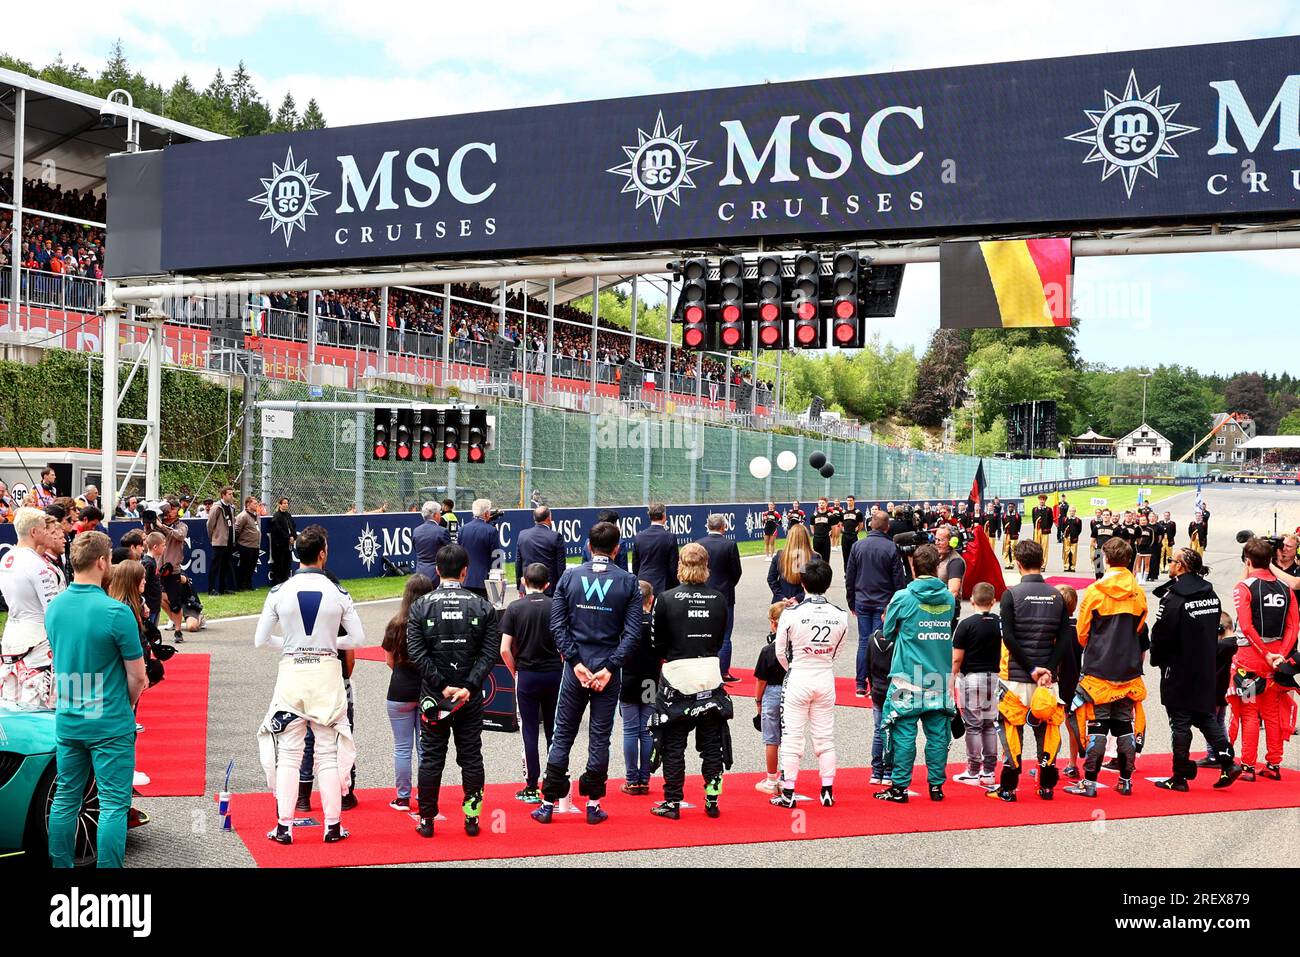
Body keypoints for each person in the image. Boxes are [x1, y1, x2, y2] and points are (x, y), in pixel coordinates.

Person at [254, 525, 365, 845]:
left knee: (288, 753)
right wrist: (328, 642)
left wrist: (290, 645)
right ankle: (332, 826)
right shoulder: (339, 593)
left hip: (292, 674)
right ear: (322, 554)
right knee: (328, 754)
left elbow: (260, 640)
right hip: (327, 674)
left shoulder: (278, 592)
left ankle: (284, 826)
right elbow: (357, 638)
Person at [45, 531, 146, 867]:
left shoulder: (55, 607)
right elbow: (138, 676)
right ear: (103, 562)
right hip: (109, 721)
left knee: (65, 799)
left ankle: (61, 865)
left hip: (69, 718)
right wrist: (127, 706)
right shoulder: (116, 613)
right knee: (114, 804)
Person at [535, 521, 642, 825]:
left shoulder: (570, 576)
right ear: (617, 548)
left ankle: (548, 803)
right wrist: (609, 668)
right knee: (599, 737)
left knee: (562, 734)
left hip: (576, 669)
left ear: (587, 546)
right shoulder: (628, 581)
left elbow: (557, 626)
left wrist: (575, 662)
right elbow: (633, 633)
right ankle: (593, 804)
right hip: (607, 669)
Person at [406, 544, 500, 838]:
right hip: (467, 697)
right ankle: (472, 819)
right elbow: (489, 653)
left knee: (432, 757)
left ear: (436, 571)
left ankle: (427, 820)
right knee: (471, 755)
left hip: (434, 697)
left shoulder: (420, 606)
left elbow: (416, 652)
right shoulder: (482, 605)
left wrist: (441, 686)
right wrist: (469, 686)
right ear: (465, 571)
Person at [648, 543, 731, 819]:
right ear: (706, 567)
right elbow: (719, 641)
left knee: (673, 743)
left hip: (677, 675)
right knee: (711, 743)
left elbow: (655, 642)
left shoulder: (665, 597)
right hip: (708, 673)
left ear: (680, 566)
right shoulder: (719, 599)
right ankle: (712, 799)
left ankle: (672, 802)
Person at [1150, 547, 1242, 791]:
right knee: (1205, 716)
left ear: (1180, 566)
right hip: (1204, 666)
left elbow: (1161, 635)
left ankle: (1179, 777)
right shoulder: (1211, 594)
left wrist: (1157, 659)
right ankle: (1228, 762)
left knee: (1179, 722)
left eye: (1171, 561)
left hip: (1179, 668)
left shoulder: (1174, 598)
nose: (1168, 564)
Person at [986, 540, 1072, 802]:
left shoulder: (1011, 595)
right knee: (1047, 729)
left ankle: (1009, 788)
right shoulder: (1057, 595)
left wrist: (1032, 668)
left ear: (1019, 563)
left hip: (1016, 676)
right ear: (1042, 560)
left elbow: (1009, 639)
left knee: (1012, 728)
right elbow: (1065, 638)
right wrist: (1047, 670)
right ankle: (1046, 786)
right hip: (1047, 678)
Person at [1064, 537, 1149, 798]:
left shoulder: (1095, 591)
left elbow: (1081, 633)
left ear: (1106, 558)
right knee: (1124, 724)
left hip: (1099, 668)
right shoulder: (1138, 592)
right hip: (1128, 669)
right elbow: (1140, 628)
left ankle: (1089, 782)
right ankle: (1125, 780)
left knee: (1097, 725)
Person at [875, 544, 956, 803]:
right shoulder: (949, 598)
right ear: (937, 566)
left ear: (913, 566)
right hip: (939, 676)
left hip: (907, 676)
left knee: (904, 733)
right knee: (937, 736)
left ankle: (899, 787)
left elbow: (887, 632)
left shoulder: (903, 597)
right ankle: (936, 786)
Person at [770, 558, 848, 809]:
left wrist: (793, 668)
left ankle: (789, 792)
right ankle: (827, 790)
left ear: (802, 582)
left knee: (793, 737)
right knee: (825, 737)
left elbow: (780, 651)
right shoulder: (840, 615)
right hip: (824, 675)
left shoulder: (792, 614)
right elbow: (837, 651)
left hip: (800, 674)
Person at [1227, 536, 1299, 781]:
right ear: (1271, 560)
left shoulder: (1243, 587)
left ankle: (1247, 765)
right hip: (1277, 661)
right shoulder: (1286, 588)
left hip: (1249, 661)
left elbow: (1246, 626)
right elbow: (1294, 626)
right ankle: (1274, 764)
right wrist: (1280, 654)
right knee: (1271, 712)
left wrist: (1266, 653)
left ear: (1248, 560)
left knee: (1249, 711)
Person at [501, 563, 563, 803]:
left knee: (528, 729)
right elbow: (565, 643)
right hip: (553, 673)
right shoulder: (556, 606)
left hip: (527, 674)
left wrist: (515, 670)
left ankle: (531, 786)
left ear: (524, 582)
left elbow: (505, 649)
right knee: (554, 729)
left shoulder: (515, 608)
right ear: (547, 585)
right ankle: (555, 780)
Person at [0, 507, 64, 709]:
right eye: (45, 529)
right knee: (37, 705)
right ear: (34, 532)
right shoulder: (38, 565)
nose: (48, 533)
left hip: (12, 637)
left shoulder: (6, 558)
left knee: (11, 701)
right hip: (37, 643)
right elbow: (53, 611)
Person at [380, 574, 435, 811]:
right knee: (425, 747)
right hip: (426, 692)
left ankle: (403, 797)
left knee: (402, 747)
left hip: (400, 690)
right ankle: (425, 796)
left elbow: (389, 660)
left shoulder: (396, 623)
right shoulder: (433, 623)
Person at [845, 511, 907, 698]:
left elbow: (850, 576)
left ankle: (860, 683)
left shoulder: (857, 546)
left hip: (863, 600)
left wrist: (851, 601)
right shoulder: (891, 548)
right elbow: (899, 579)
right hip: (883, 602)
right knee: (881, 642)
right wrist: (897, 605)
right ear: (887, 527)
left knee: (864, 642)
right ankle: (876, 684)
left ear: (871, 525)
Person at [950, 582, 1002, 788]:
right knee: (990, 724)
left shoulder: (966, 625)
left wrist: (950, 680)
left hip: (972, 677)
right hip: (995, 677)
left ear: (971, 600)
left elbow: (956, 659)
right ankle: (989, 771)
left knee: (973, 725)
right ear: (993, 601)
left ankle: (973, 769)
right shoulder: (1000, 624)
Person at [619, 581, 659, 796]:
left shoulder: (626, 624)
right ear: (650, 600)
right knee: (646, 730)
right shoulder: (655, 623)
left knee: (630, 730)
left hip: (629, 678)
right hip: (650, 679)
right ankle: (644, 778)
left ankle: (632, 779)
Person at [695, 513, 743, 683]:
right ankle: (722, 672)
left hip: (702, 592)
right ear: (723, 527)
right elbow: (736, 572)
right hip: (724, 595)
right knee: (725, 635)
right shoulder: (729, 545)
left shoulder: (699, 543)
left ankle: (703, 668)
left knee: (701, 633)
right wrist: (728, 585)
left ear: (708, 526)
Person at [753, 602, 788, 795]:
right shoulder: (795, 648)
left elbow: (761, 680)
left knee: (772, 738)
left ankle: (771, 778)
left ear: (773, 624)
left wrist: (758, 701)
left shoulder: (768, 650)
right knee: (790, 737)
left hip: (772, 691)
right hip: (791, 691)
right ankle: (786, 777)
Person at [1055, 584, 1084, 779]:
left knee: (1052, 724)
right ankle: (1073, 763)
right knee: (1072, 724)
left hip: (1059, 680)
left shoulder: (1055, 629)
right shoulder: (1081, 628)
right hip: (1077, 680)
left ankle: (1049, 762)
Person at [516, 505, 566, 598]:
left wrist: (520, 586)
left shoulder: (522, 535)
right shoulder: (555, 536)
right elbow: (561, 565)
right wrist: (561, 586)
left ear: (534, 519)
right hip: (548, 587)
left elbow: (518, 562)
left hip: (528, 584)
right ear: (549, 518)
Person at [632, 502, 679, 596]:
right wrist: (676, 586)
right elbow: (673, 566)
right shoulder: (670, 537)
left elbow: (635, 565)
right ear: (664, 516)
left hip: (643, 582)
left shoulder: (639, 536)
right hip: (664, 585)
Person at [458, 499, 499, 599]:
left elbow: (459, 553)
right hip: (484, 580)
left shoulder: (463, 529)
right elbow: (496, 556)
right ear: (486, 514)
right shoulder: (491, 531)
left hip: (465, 578)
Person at [768, 522, 812, 605]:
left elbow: (771, 579)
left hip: (782, 601)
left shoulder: (780, 555)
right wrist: (798, 598)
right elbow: (815, 584)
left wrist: (782, 597)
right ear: (806, 538)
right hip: (804, 602)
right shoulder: (814, 557)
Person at [207, 486, 237, 596]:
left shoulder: (231, 507)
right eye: (229, 494)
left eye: (232, 494)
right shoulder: (216, 508)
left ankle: (222, 588)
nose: (231, 496)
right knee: (215, 566)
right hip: (219, 541)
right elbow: (210, 524)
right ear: (223, 495)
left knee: (226, 565)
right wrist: (213, 538)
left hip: (228, 541)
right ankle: (211, 589)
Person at [933, 524, 966, 623]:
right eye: (936, 539)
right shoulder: (937, 557)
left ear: (951, 542)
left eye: (941, 540)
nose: (936, 543)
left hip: (946, 610)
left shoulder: (955, 562)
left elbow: (953, 592)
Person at [412, 501, 449, 583]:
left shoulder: (416, 531)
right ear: (435, 515)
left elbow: (415, 548)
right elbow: (450, 552)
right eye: (440, 513)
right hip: (437, 574)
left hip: (420, 573)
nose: (441, 516)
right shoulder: (442, 531)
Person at [234, 495, 261, 591]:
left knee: (252, 566)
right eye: (255, 503)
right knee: (244, 566)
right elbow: (237, 530)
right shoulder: (243, 516)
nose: (256, 505)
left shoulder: (256, 515)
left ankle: (248, 584)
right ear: (248, 504)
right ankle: (241, 585)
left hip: (255, 545)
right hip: (245, 545)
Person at [268, 497, 297, 586]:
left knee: (287, 563)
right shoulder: (277, 516)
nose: (285, 505)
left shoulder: (288, 515)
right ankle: (278, 582)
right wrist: (288, 537)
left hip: (288, 545)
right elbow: (278, 530)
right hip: (279, 544)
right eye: (284, 503)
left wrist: (293, 536)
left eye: (287, 503)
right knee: (279, 563)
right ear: (279, 504)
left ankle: (285, 581)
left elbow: (293, 527)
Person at [839, 496, 863, 569]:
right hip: (845, 536)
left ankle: (854, 572)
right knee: (845, 556)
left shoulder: (858, 513)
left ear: (854, 501)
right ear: (846, 501)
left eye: (851, 500)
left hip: (853, 536)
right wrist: (842, 528)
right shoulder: (843, 512)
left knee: (854, 555)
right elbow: (840, 523)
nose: (849, 502)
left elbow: (861, 524)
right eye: (848, 500)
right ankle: (846, 574)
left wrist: (857, 531)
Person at [1031, 494, 1054, 569]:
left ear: (1045, 501)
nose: (1042, 501)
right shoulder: (1034, 509)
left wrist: (1047, 528)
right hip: (1037, 531)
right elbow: (1033, 520)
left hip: (1045, 531)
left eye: (1043, 500)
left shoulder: (1048, 510)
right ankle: (1036, 564)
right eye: (1040, 500)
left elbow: (1051, 521)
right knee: (1036, 548)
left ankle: (1043, 565)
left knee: (1044, 548)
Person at [810, 497, 833, 564]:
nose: (821, 504)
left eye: (823, 503)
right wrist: (815, 534)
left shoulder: (830, 516)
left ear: (826, 504)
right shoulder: (814, 516)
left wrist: (831, 532)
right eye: (820, 503)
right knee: (816, 558)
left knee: (826, 559)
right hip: (817, 539)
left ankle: (825, 573)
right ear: (818, 504)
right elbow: (811, 526)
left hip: (826, 539)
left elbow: (833, 526)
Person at [1061, 507, 1083, 573]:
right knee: (1066, 552)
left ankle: (1073, 566)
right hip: (1066, 538)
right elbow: (1062, 528)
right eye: (1070, 511)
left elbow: (1079, 530)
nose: (1072, 512)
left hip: (1074, 538)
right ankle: (1066, 566)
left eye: (1073, 511)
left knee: (1073, 553)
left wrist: (1075, 535)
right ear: (1068, 511)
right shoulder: (1065, 519)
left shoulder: (1078, 520)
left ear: (1075, 512)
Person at [1002, 504, 1022, 569]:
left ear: (1014, 507)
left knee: (1013, 549)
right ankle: (1007, 563)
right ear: (1008, 507)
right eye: (1009, 507)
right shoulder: (1004, 515)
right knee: (1006, 549)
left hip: (1014, 534)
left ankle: (1012, 563)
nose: (1010, 508)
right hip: (1007, 534)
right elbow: (1003, 523)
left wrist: (1017, 531)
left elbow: (1019, 524)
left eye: (1012, 507)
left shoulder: (1017, 515)